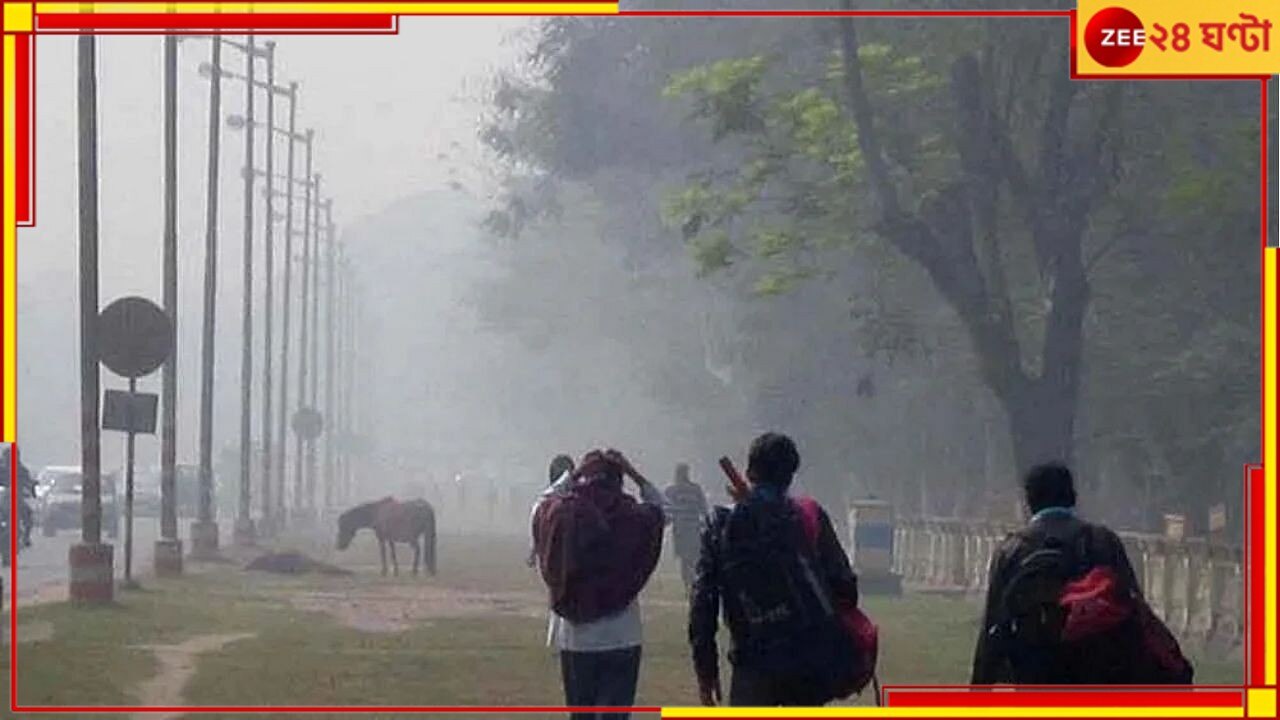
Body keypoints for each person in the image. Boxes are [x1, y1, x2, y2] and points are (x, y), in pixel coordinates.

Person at [688, 432, 860, 707]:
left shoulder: (722, 523)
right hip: (807, 663)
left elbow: (702, 604)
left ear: (749, 471)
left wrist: (705, 670)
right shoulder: (808, 515)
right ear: (790, 475)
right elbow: (846, 589)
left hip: (751, 664)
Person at [970, 462, 1156, 685]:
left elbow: (992, 629)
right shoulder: (1103, 542)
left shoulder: (1012, 550)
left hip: (1035, 674)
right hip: (1097, 673)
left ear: (1029, 501)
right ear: (1073, 497)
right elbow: (1136, 614)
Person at [532, 449, 665, 720]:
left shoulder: (565, 514)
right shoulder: (632, 516)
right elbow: (662, 510)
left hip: (576, 640)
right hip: (622, 636)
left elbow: (541, 504)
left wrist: (575, 473)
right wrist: (635, 475)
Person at [663, 463, 709, 593]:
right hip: (682, 530)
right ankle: (689, 585)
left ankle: (694, 583)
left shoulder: (695, 489)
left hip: (692, 528)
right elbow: (667, 509)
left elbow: (703, 507)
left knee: (693, 557)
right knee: (686, 559)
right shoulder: (672, 490)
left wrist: (705, 522)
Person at [528, 454, 575, 568]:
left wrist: (534, 551)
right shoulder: (578, 489)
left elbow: (534, 520)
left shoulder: (545, 498)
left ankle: (533, 553)